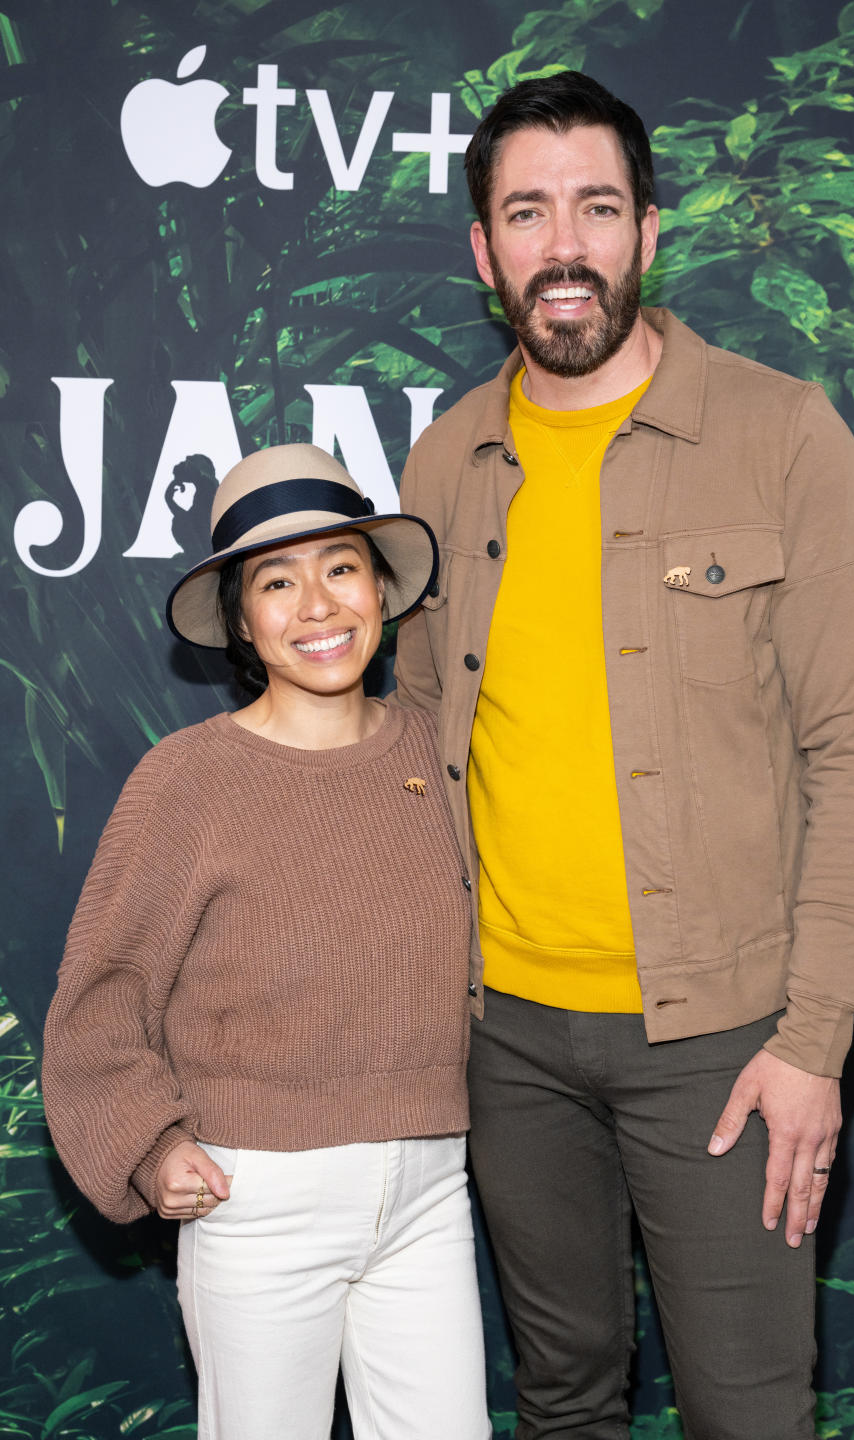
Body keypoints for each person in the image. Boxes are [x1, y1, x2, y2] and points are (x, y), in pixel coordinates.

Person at [394, 71, 854, 1440]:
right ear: (483, 252)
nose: (565, 244)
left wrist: (812, 1045)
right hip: (509, 1046)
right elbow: (424, 737)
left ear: (648, 233)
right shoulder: (445, 467)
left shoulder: (782, 435)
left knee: (748, 1413)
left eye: (598, 207)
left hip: (727, 1044)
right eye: (528, 211)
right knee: (563, 1404)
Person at [42, 443, 492, 1440]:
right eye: (276, 582)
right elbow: (100, 996)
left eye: (340, 567)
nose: (318, 606)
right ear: (243, 622)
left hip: (429, 1189)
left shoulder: (439, 753)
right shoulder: (185, 781)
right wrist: (153, 1148)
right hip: (258, 1198)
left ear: (381, 588)